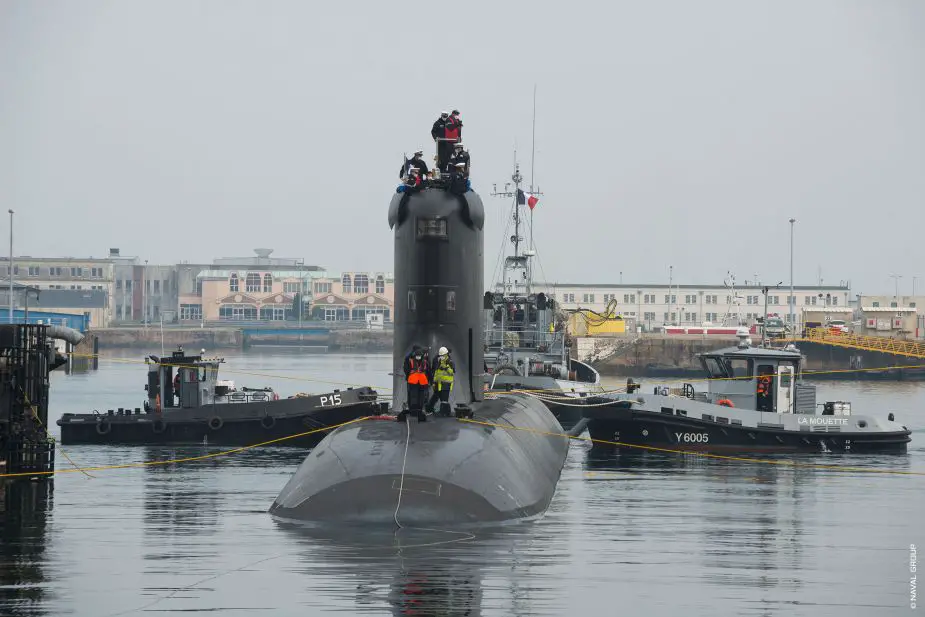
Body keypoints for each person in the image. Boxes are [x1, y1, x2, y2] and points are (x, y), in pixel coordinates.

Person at [399, 345, 430, 422]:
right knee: (413, 396)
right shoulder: (410, 359)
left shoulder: (424, 361)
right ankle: (413, 410)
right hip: (413, 381)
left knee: (419, 396)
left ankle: (418, 409)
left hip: (421, 382)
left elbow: (428, 371)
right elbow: (406, 369)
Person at [426, 347, 455, 416]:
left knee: (444, 398)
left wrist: (446, 368)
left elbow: (452, 372)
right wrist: (434, 381)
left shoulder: (450, 362)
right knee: (437, 395)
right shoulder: (439, 361)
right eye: (440, 355)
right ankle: (431, 408)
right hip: (439, 383)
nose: (441, 357)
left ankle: (444, 412)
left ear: (446, 354)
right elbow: (436, 372)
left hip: (446, 383)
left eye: (442, 355)